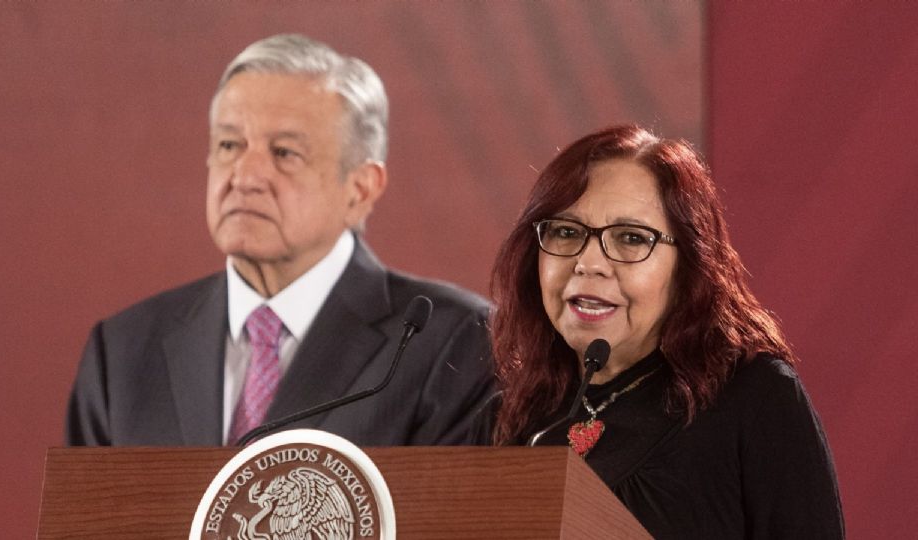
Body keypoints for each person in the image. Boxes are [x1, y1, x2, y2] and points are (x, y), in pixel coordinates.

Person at [66, 34, 493, 447]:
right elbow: (82, 521)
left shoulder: (449, 341)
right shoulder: (123, 352)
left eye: (285, 153)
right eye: (230, 145)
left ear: (361, 188)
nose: (245, 176)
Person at [481, 125, 844, 538]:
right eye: (566, 232)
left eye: (631, 238)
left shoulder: (755, 398)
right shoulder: (510, 417)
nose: (589, 263)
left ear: (690, 265)